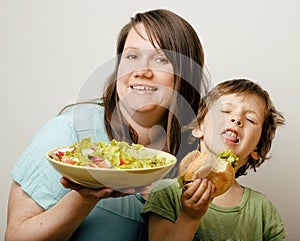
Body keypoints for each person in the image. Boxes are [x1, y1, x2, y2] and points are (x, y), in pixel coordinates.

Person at [5, 9, 210, 241]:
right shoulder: (67, 133)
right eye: (132, 56)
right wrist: (86, 196)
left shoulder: (196, 156)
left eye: (161, 59)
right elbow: (16, 237)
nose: (141, 71)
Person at [142, 78, 288, 241]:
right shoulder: (166, 193)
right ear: (199, 127)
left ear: (256, 148)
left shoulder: (262, 209)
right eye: (225, 111)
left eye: (251, 120)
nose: (237, 119)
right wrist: (189, 217)